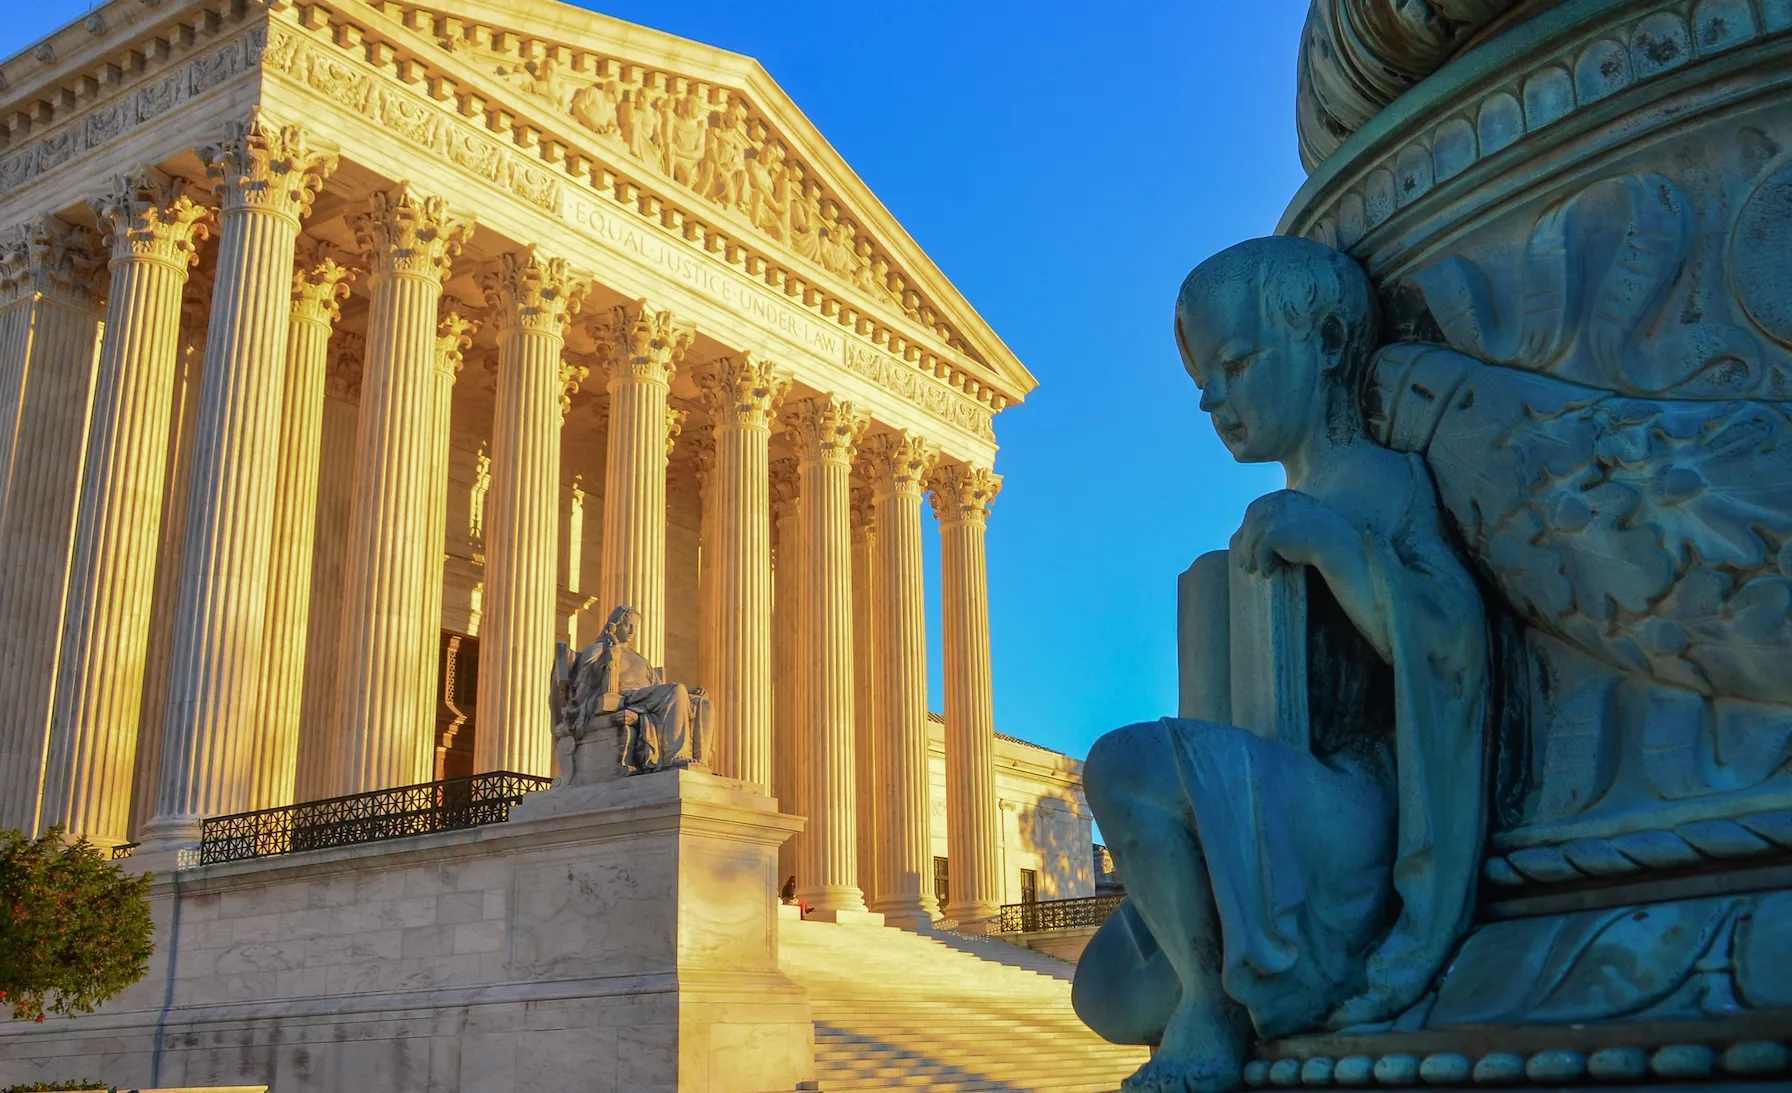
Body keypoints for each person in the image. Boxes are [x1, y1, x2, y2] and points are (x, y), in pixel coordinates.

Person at [1075, 237, 1489, 1093]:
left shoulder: (1386, 486)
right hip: (1285, 789)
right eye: (1202, 383)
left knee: (1119, 763)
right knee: (1102, 990)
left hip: (1355, 802)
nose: (1213, 399)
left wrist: (1341, 551)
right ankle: (1208, 981)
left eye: (1236, 362)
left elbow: (1452, 648)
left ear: (1330, 344)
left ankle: (1211, 1003)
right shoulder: (1280, 510)